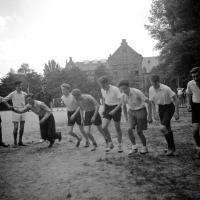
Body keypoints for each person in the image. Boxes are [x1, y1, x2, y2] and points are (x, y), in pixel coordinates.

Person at [119, 80, 152, 155]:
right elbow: (124, 107)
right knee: (129, 129)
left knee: (139, 131)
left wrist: (150, 115)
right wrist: (126, 117)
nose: (124, 90)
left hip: (141, 110)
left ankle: (144, 147)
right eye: (122, 89)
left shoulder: (137, 92)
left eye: (125, 88)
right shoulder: (123, 95)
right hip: (131, 111)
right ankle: (134, 147)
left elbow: (149, 102)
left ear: (128, 87)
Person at [149, 75, 179, 156]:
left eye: (155, 84)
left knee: (163, 127)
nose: (154, 85)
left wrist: (177, 112)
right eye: (152, 83)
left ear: (159, 82)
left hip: (169, 107)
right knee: (167, 128)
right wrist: (154, 112)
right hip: (161, 108)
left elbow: (175, 98)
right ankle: (172, 148)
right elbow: (151, 101)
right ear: (151, 82)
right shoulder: (151, 89)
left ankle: (170, 148)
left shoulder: (166, 88)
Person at [97, 76, 123, 153]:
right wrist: (104, 108)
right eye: (101, 86)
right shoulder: (102, 89)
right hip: (108, 107)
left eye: (103, 85)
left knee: (117, 127)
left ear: (107, 83)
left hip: (116, 107)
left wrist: (115, 110)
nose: (102, 87)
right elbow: (104, 99)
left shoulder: (115, 89)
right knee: (104, 127)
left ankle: (120, 145)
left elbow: (121, 102)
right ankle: (110, 143)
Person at [60, 83, 89, 147]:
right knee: (69, 132)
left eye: (64, 90)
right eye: (62, 90)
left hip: (77, 113)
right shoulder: (62, 97)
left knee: (82, 130)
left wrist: (75, 114)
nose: (62, 91)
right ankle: (79, 138)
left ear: (68, 90)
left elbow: (79, 106)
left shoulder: (73, 96)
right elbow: (68, 106)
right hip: (70, 113)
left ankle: (87, 141)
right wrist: (70, 113)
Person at [3, 81, 27, 147]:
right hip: (15, 112)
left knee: (22, 128)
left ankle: (20, 141)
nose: (20, 87)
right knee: (16, 127)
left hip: (23, 111)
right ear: (16, 87)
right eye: (19, 86)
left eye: (21, 86)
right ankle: (15, 142)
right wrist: (8, 106)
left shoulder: (24, 93)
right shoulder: (12, 94)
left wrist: (27, 106)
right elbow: (4, 100)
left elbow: (29, 99)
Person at [186, 67, 200, 159]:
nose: (195, 78)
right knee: (195, 130)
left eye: (197, 76)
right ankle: (198, 147)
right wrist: (188, 104)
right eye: (193, 76)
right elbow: (189, 94)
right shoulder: (190, 83)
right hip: (196, 107)